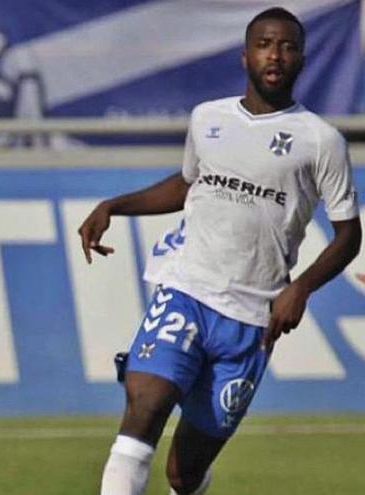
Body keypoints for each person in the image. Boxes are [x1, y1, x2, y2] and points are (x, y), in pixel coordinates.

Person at [78, 8, 360, 495]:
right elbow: (189, 186)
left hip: (253, 318)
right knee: (144, 407)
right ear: (245, 55)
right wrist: (115, 205)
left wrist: (301, 288)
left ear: (302, 60)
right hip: (186, 288)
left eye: (288, 46)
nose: (276, 54)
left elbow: (348, 234)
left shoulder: (321, 141)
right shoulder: (208, 118)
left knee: (183, 473)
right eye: (266, 44)